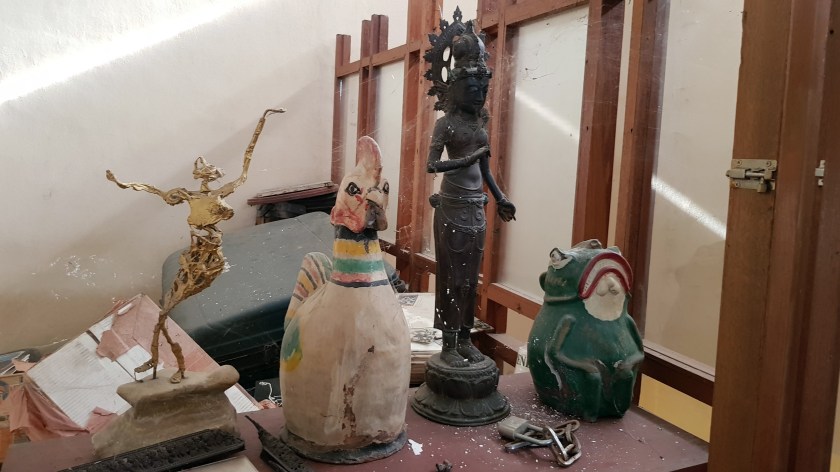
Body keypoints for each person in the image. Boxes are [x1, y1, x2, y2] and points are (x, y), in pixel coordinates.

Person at [105, 108, 283, 382]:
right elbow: (154, 190)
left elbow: (246, 167)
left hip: (207, 262)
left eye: (209, 175)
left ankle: (171, 364)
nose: (206, 178)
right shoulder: (188, 195)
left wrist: (262, 121)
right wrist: (122, 183)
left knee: (166, 312)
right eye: (204, 175)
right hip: (194, 259)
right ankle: (162, 361)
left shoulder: (220, 194)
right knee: (165, 312)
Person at [426, 28, 515, 368]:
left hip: (477, 208)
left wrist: (500, 197)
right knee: (450, 277)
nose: (479, 95)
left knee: (470, 280)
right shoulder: (445, 125)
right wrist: (462, 160)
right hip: (451, 207)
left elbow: (486, 168)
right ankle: (448, 342)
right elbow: (432, 165)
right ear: (456, 89)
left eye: (483, 89)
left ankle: (465, 337)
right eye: (472, 88)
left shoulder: (480, 124)